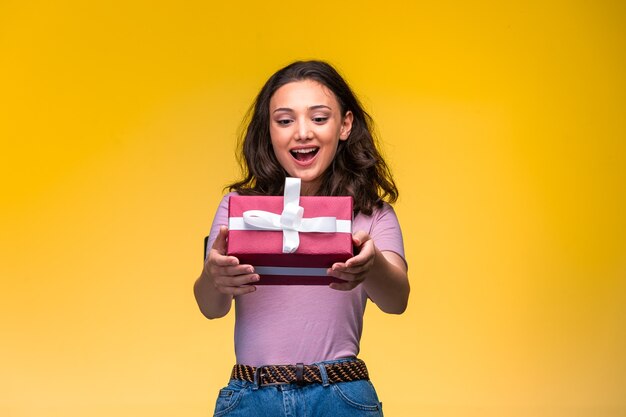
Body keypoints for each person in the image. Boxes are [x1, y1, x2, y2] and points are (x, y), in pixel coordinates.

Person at [194, 60, 409, 417]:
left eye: (319, 118)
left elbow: (397, 299)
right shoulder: (239, 209)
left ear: (345, 125)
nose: (302, 132)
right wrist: (214, 277)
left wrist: (371, 266)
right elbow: (210, 307)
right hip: (251, 395)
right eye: (285, 120)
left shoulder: (373, 213)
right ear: (269, 131)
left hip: (341, 394)